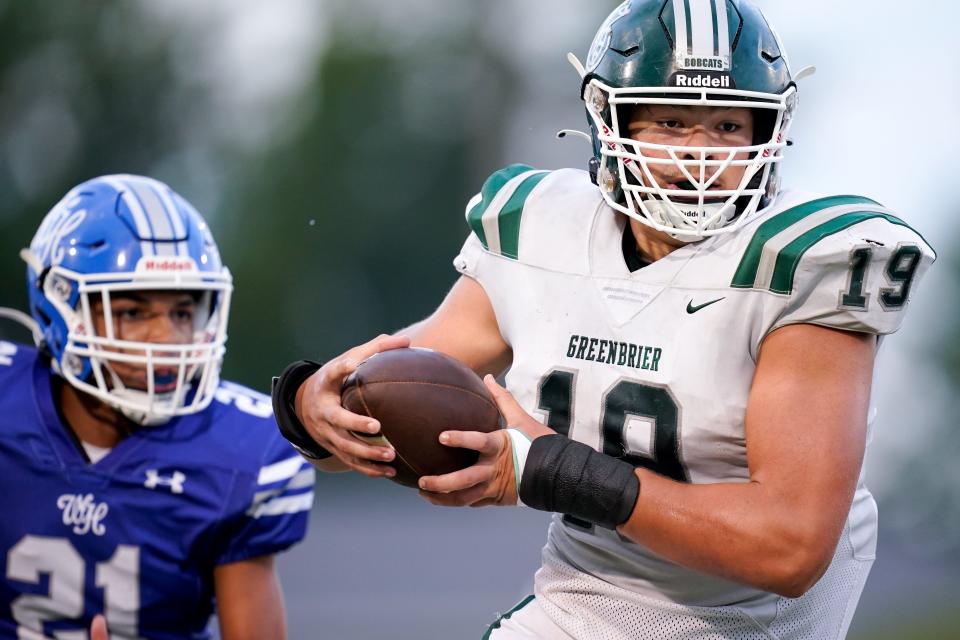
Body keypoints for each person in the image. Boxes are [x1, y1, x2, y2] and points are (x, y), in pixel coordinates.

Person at [273, 1, 936, 638]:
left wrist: (558, 473)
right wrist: (313, 408)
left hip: (747, 624)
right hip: (583, 603)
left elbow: (789, 548)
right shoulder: (540, 233)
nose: (699, 155)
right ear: (608, 123)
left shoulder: (800, 261)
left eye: (728, 126)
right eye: (671, 123)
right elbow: (395, 398)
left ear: (768, 131)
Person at [0, 175, 314, 639]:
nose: (165, 338)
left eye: (182, 312)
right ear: (61, 306)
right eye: (132, 312)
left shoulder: (243, 452)